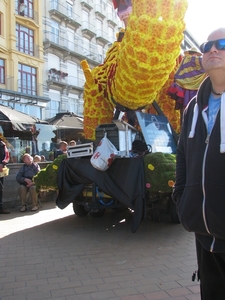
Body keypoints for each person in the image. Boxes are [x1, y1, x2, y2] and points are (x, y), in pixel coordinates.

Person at [173, 28, 225, 299]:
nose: (212, 49)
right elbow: (182, 156)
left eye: (222, 43)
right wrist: (182, 200)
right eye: (207, 46)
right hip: (203, 233)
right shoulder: (192, 108)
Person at [167, 46, 207, 125]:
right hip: (192, 90)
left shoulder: (184, 60)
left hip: (184, 88)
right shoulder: (192, 60)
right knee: (192, 111)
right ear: (195, 53)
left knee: (185, 111)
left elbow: (179, 74)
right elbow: (207, 63)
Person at [0, 135, 10, 214]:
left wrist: (2, 164)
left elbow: (7, 156)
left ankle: (0, 208)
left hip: (0, 170)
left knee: (0, 189)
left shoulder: (2, 144)